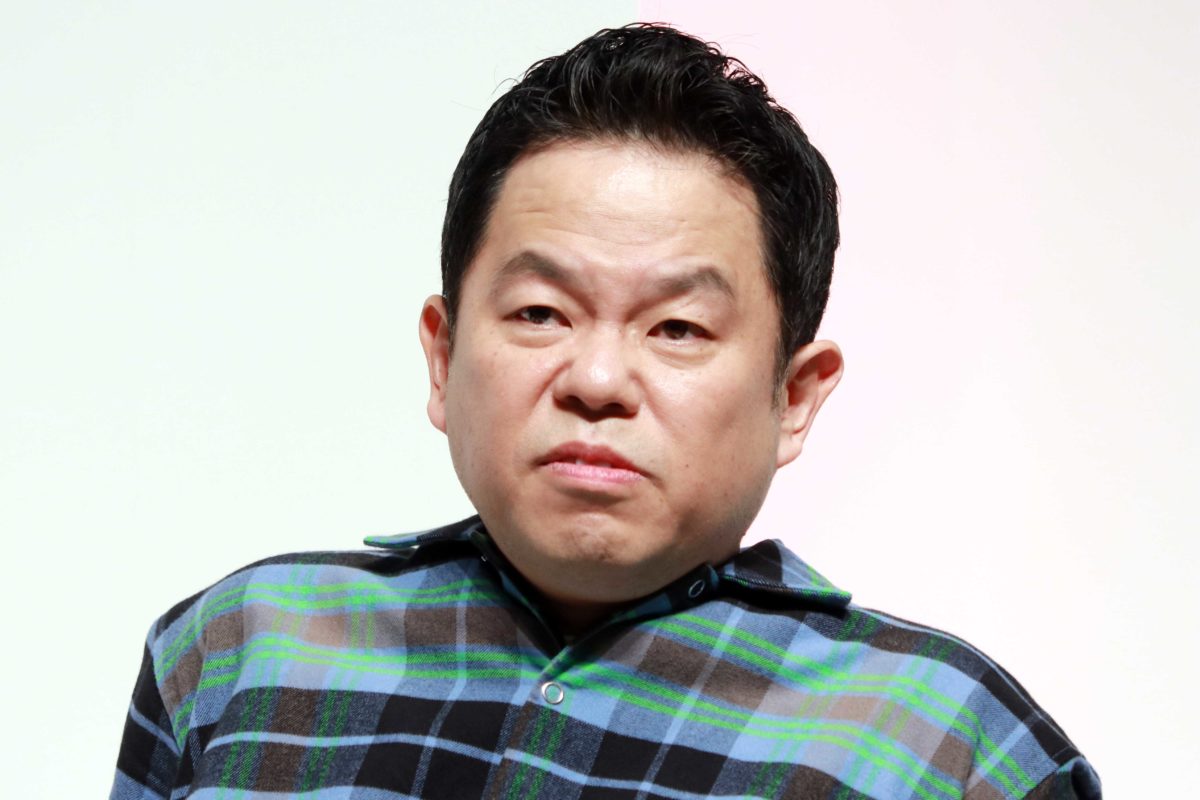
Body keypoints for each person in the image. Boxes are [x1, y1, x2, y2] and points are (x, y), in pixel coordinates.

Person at [111, 23, 1100, 800]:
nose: (596, 378)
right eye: (541, 312)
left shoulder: (948, 744)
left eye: (677, 327)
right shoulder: (242, 646)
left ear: (793, 396)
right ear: (443, 357)